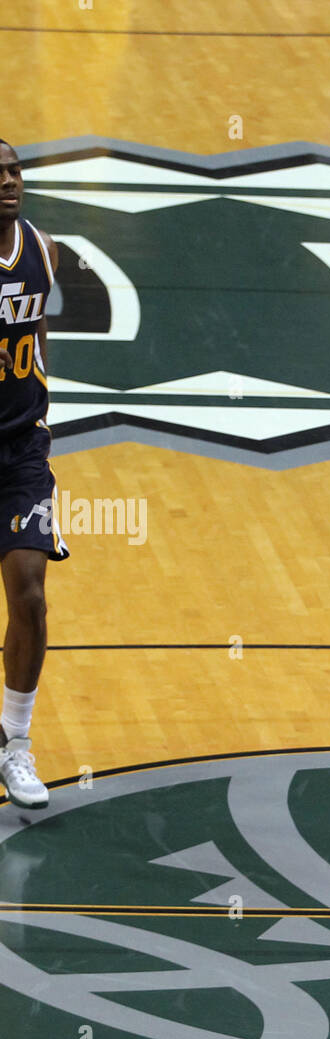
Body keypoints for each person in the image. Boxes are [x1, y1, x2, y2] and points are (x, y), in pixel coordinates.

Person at [0, 139, 67, 809]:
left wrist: (41, 401)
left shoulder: (41, 248)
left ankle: (15, 743)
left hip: (22, 451)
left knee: (29, 591)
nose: (8, 182)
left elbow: (38, 331)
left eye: (14, 171)